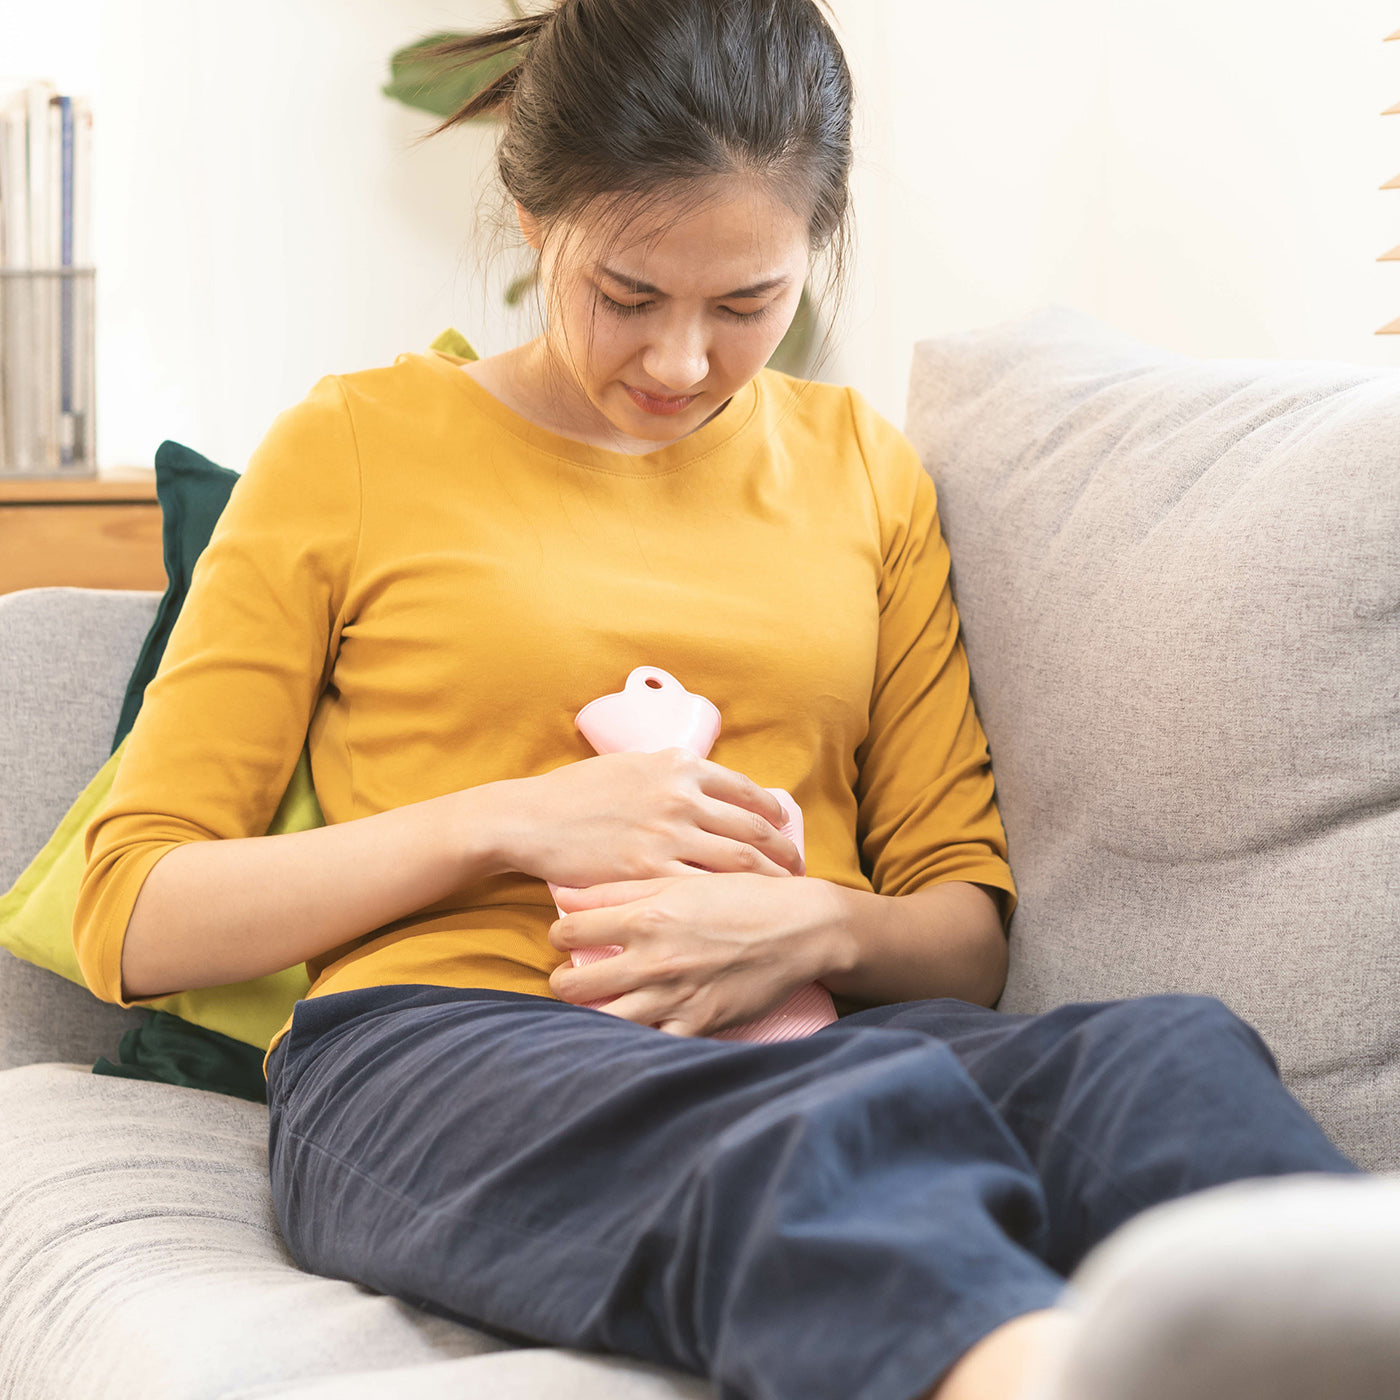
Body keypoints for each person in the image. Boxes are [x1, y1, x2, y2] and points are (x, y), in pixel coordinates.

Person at [74, 3, 1366, 1398]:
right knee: (815, 1148)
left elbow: (962, 932)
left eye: (749, 305)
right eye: (627, 294)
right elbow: (131, 911)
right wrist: (510, 824)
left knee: (1159, 1063)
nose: (682, 363)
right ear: (529, 213)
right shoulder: (353, 447)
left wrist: (797, 924)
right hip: (443, 1046)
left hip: (819, 1038)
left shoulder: (859, 468)